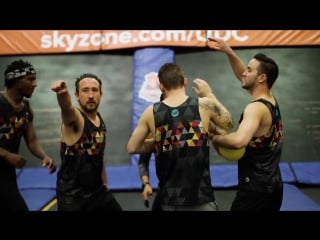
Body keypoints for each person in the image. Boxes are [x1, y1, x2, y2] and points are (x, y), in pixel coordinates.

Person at [127, 62, 233, 211]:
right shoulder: (204, 105)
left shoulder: (150, 112)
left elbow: (132, 147)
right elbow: (228, 123)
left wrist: (163, 141)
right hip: (201, 199)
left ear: (161, 86)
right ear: (184, 81)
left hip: (170, 202)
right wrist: (209, 95)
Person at [208, 37, 284, 211]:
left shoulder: (255, 109)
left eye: (249, 70)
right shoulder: (269, 99)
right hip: (273, 185)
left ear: (262, 78)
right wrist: (229, 52)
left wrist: (214, 137)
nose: (244, 72)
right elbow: (245, 76)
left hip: (255, 190)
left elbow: (239, 141)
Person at [51, 73, 122, 211]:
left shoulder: (99, 120)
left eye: (95, 90)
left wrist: (105, 185)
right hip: (73, 198)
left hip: (98, 192)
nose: (90, 95)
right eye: (85, 90)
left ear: (101, 94)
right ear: (77, 95)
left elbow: (98, 156)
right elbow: (67, 108)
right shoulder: (75, 119)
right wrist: (62, 93)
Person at [0, 59, 56, 211]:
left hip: (6, 175)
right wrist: (6, 155)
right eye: (30, 79)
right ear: (16, 81)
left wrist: (43, 156)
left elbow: (31, 140)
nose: (35, 84)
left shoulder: (26, 109)